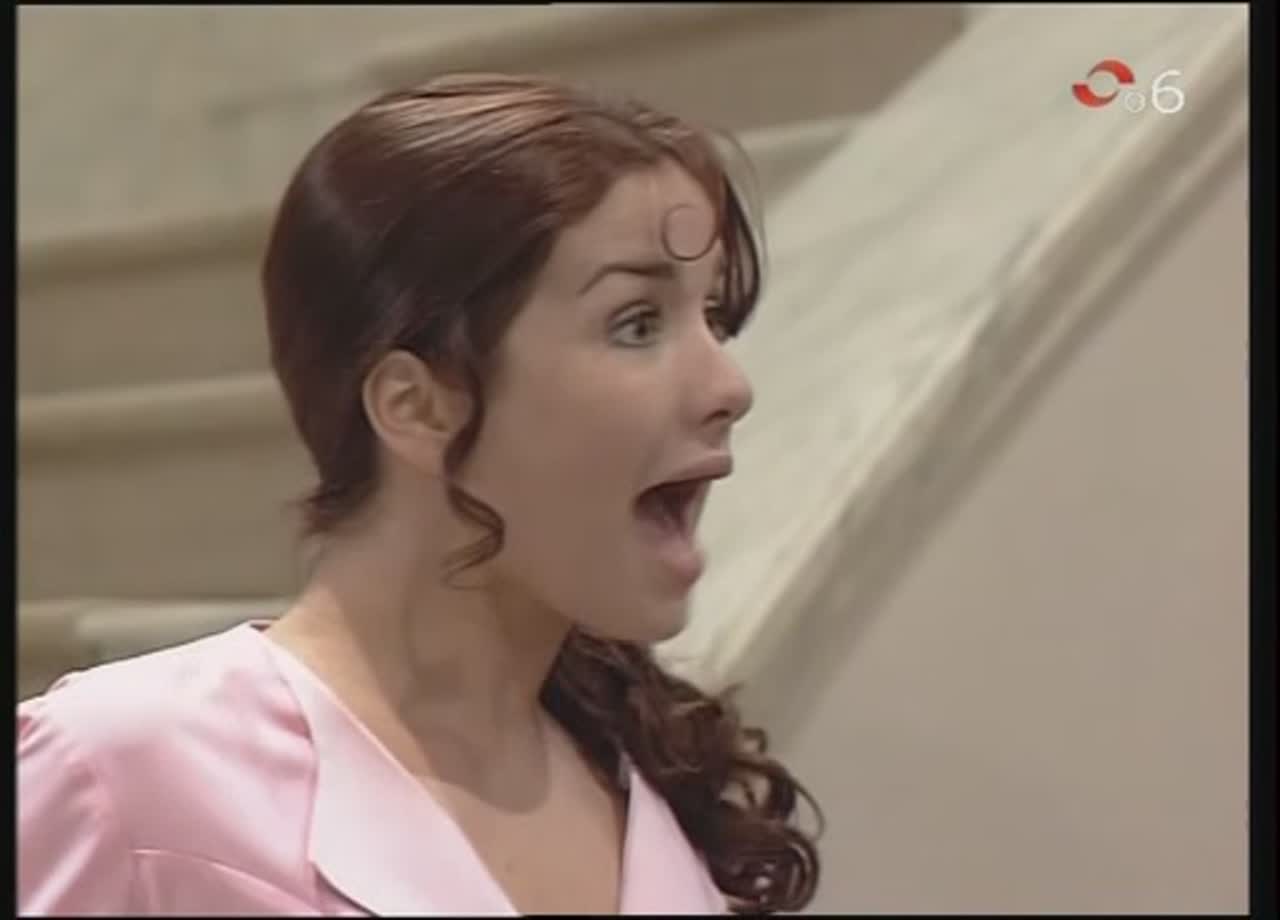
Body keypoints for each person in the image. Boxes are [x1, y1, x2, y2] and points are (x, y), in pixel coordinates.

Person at [18, 72, 822, 915]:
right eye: (637, 323)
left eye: (713, 317)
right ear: (417, 406)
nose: (729, 385)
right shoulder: (124, 775)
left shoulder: (661, 790)